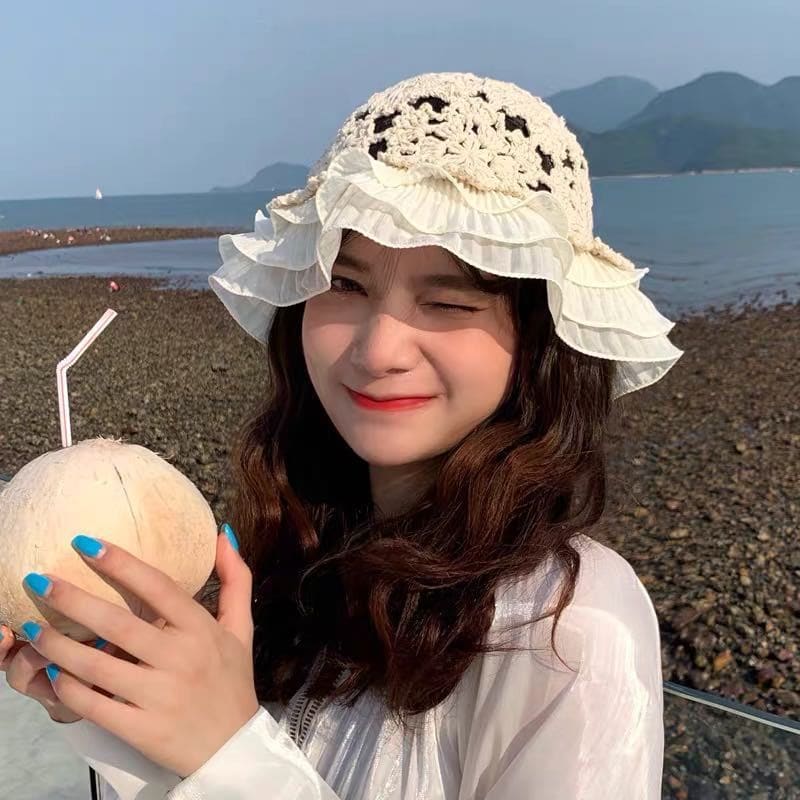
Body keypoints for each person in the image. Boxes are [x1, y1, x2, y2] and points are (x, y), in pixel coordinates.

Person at [1, 71, 682, 799]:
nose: (379, 349)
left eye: (449, 301)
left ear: (540, 341)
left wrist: (226, 752)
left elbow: (235, 764)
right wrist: (114, 705)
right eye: (346, 285)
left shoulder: (572, 629)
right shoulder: (301, 552)